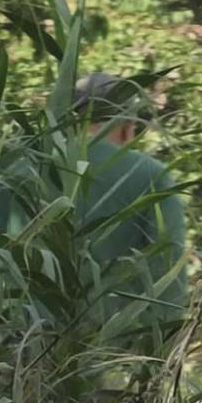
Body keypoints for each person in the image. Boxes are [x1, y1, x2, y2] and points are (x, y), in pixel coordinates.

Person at [69, 71, 189, 343]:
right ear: (126, 123)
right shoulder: (149, 175)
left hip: (19, 354)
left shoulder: (24, 168)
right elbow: (167, 274)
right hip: (108, 353)